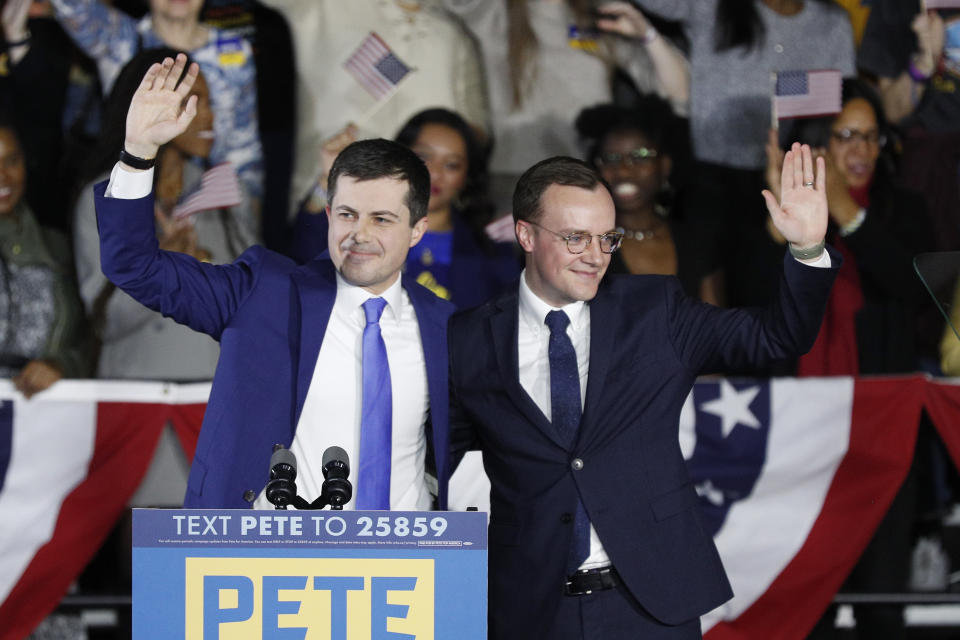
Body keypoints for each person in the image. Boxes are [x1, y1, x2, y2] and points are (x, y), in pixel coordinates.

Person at [448, 146, 839, 638]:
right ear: (525, 234)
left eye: (606, 238)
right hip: (531, 607)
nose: (595, 256)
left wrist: (806, 250)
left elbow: (778, 336)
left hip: (650, 605)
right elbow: (431, 457)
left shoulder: (656, 312)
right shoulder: (468, 338)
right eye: (575, 238)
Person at [94, 54, 454, 510]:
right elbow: (134, 266)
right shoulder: (264, 293)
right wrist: (138, 151)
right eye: (347, 214)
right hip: (272, 562)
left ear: (417, 229)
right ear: (328, 214)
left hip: (409, 562)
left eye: (382, 219)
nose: (359, 234)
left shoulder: (446, 325)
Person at [74, 48, 257, 383]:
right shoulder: (105, 197)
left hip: (210, 393)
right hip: (135, 400)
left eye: (210, 103)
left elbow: (253, 304)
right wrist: (161, 270)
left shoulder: (227, 192)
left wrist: (203, 271)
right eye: (195, 101)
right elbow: (103, 322)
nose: (209, 117)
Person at [443, 0, 689, 211]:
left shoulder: (599, 18)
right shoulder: (490, 11)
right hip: (515, 180)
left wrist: (648, 33)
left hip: (588, 179)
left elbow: (680, 95)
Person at [256, 0, 489, 217]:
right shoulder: (322, 7)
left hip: (419, 222)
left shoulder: (453, 36)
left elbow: (474, 134)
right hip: (328, 213)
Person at [49, 0, 263, 201]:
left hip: (212, 206)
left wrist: (244, 219)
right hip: (132, 191)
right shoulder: (119, 37)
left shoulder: (234, 49)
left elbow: (244, 147)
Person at [577, 99, 721, 304]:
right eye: (611, 158)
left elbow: (717, 328)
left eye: (641, 156)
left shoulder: (696, 241)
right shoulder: (582, 248)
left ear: (664, 165)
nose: (624, 170)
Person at [0, 119, 90, 397]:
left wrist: (61, 365)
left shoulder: (57, 248)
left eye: (11, 160)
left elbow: (91, 337)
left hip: (44, 423)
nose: (3, 176)